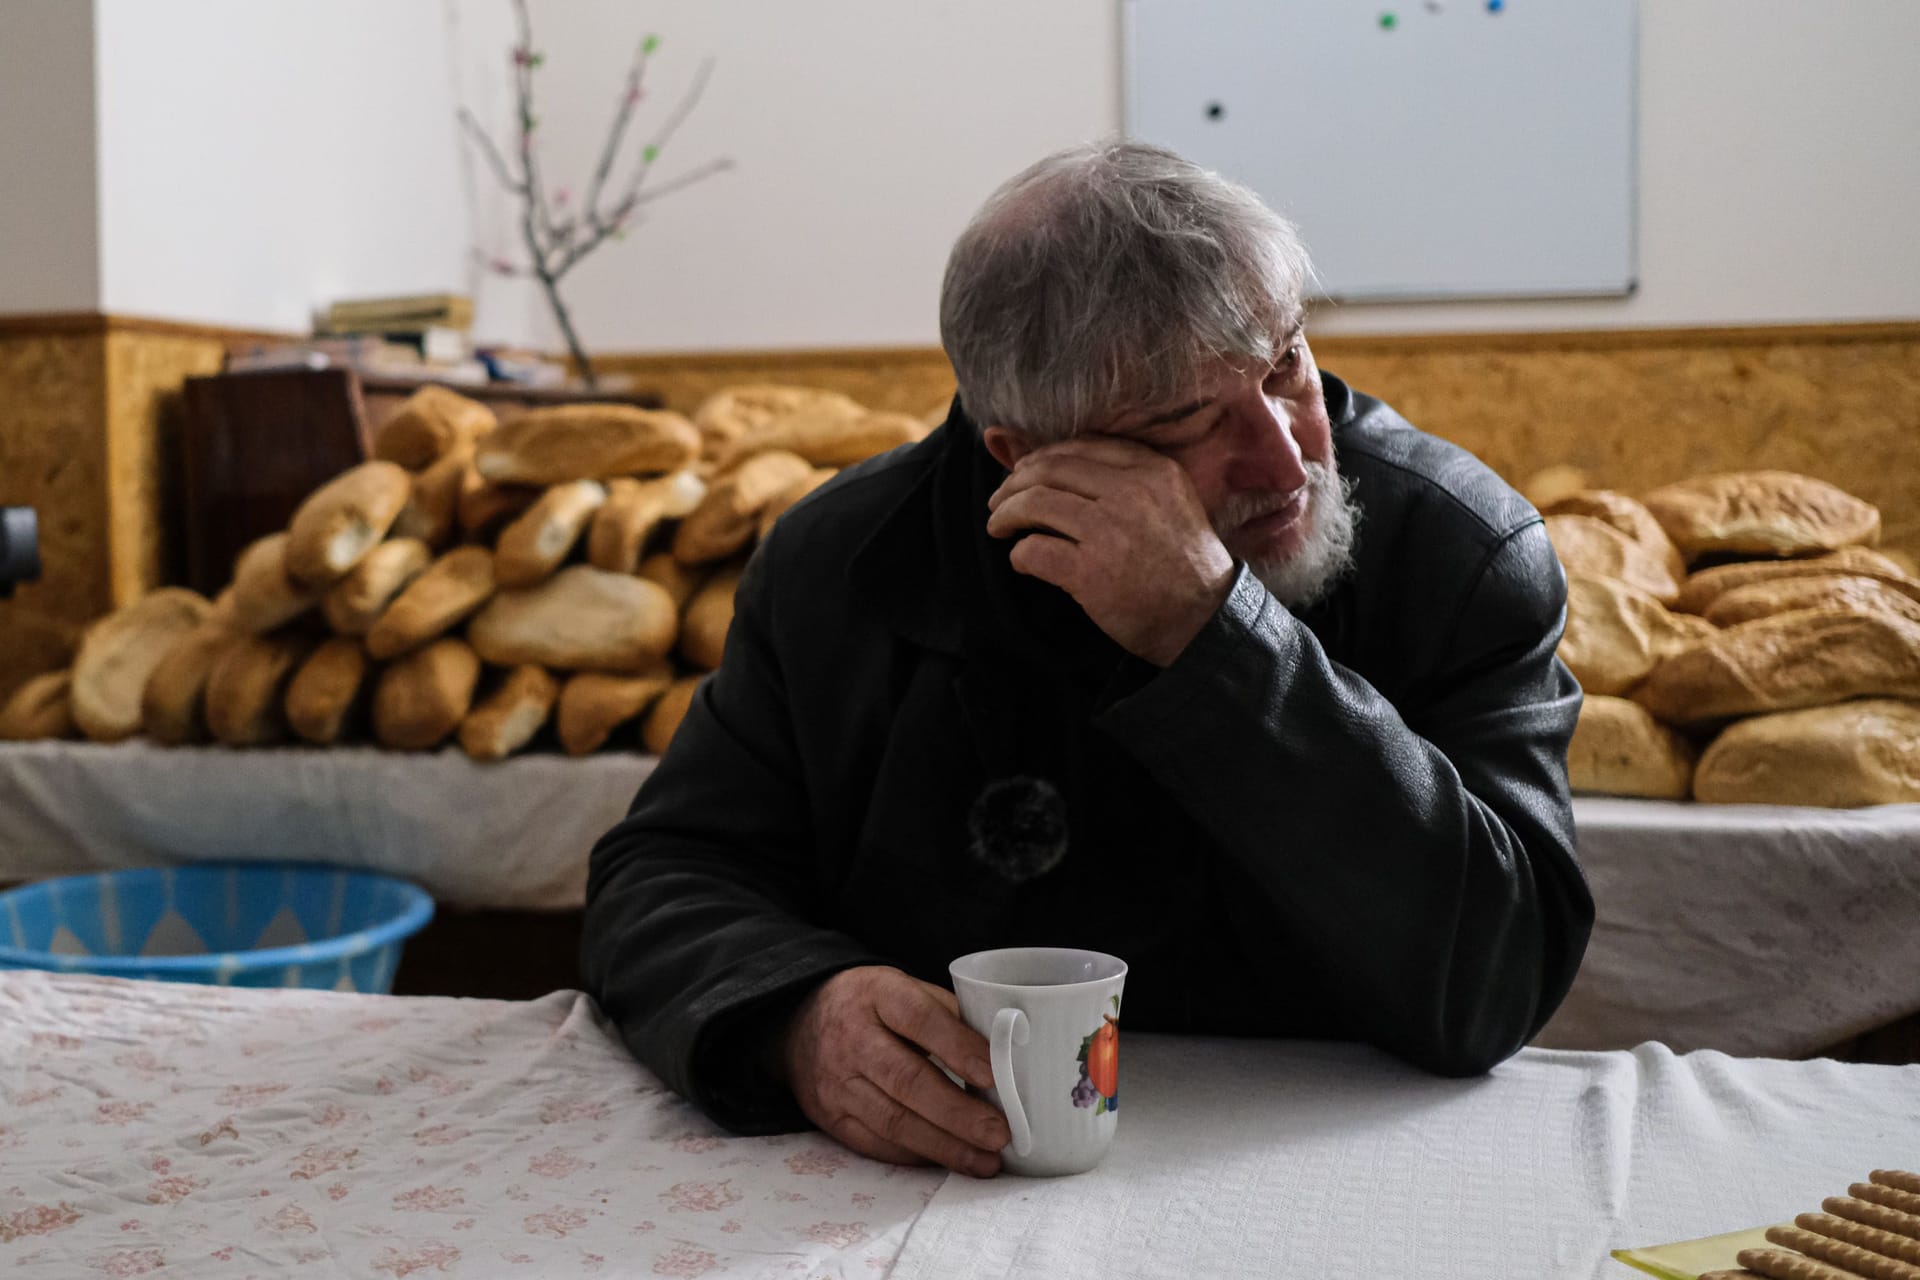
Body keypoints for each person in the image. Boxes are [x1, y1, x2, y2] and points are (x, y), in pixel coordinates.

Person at [582, 139, 1593, 1180]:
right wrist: (795, 1011)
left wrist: (1219, 638)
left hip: (1329, 1176)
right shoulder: (845, 562)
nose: (1289, 455)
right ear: (1023, 455)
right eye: (1188, 421)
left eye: (1286, 364)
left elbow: (1497, 978)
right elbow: (664, 872)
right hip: (934, 1190)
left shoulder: (1458, 553)